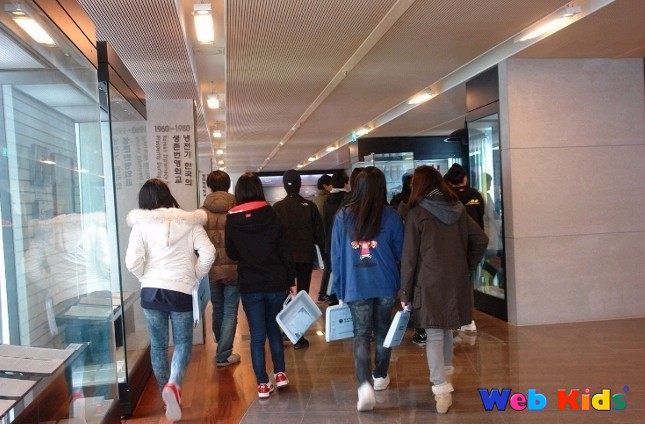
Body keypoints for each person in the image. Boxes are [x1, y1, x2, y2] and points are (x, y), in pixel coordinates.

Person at [399, 166, 488, 414]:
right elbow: (481, 240)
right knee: (446, 328)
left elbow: (409, 257)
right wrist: (466, 266)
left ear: (419, 185)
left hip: (429, 281)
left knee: (435, 333)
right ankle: (445, 377)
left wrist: (405, 292)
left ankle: (440, 389)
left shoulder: (417, 213)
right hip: (455, 279)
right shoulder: (458, 208)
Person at [125, 179, 215, 422]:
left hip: (151, 291)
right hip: (180, 291)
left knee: (158, 345)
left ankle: (167, 393)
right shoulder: (189, 221)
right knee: (183, 343)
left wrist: (145, 277)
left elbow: (132, 261)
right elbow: (209, 253)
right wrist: (195, 276)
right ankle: (174, 384)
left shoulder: (141, 225)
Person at [331, 166, 404, 412]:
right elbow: (401, 253)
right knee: (383, 330)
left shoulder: (343, 216)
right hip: (386, 283)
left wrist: (339, 288)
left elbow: (336, 256)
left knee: (361, 334)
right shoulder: (391, 216)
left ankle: (364, 386)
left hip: (355, 284)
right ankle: (380, 375)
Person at [225, 172, 297, 399]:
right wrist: (291, 280)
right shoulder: (273, 215)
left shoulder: (232, 219)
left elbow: (231, 252)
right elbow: (285, 250)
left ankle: (263, 384)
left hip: (250, 284)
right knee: (274, 329)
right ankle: (281, 374)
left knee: (257, 335)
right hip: (275, 282)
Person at [272, 169, 325, 349]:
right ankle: (298, 336)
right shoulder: (309, 207)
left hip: (282, 260)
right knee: (302, 295)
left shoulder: (277, 208)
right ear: (300, 184)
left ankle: (283, 331)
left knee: (285, 295)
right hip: (304, 258)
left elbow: (273, 236)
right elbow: (319, 235)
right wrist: (320, 256)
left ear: (284, 185)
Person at [202, 170, 241, 367]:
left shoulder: (202, 212)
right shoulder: (237, 209)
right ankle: (224, 353)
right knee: (230, 310)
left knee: (217, 306)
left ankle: (221, 342)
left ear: (209, 186)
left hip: (211, 268)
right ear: (228, 185)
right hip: (234, 268)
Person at [444, 163, 485, 332]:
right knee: (468, 283)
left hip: (454, 246)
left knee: (452, 284)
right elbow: (481, 216)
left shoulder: (448, 198)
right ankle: (467, 319)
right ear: (465, 178)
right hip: (473, 245)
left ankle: (454, 318)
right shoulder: (476, 195)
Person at [390, 172, 426, 347]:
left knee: (413, 288)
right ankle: (419, 326)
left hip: (411, 252)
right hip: (412, 252)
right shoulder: (409, 205)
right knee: (414, 288)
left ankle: (419, 326)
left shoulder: (410, 205)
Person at [319, 170, 349, 305]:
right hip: (343, 242)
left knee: (330, 269)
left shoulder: (326, 201)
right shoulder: (347, 200)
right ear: (345, 183)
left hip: (328, 241)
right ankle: (340, 295)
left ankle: (329, 295)